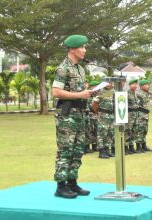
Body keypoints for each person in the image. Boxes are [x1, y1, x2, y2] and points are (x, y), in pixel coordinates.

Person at [52, 35, 93, 199]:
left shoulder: (79, 69)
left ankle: (72, 182)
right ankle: (60, 186)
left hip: (80, 114)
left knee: (78, 150)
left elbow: (79, 92)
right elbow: (55, 92)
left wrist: (87, 91)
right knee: (66, 150)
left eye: (85, 47)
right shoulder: (63, 68)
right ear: (72, 49)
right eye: (82, 47)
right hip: (67, 116)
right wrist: (79, 94)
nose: (84, 50)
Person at [93, 82, 115, 159]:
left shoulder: (112, 92)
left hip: (111, 115)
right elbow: (95, 103)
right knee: (102, 134)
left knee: (109, 133)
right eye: (107, 83)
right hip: (103, 115)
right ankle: (101, 152)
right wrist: (96, 113)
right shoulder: (101, 92)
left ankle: (107, 150)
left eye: (110, 83)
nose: (109, 85)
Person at [136, 79, 152, 152]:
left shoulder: (145, 93)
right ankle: (138, 147)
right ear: (141, 86)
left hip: (145, 114)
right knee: (139, 130)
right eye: (146, 85)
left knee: (144, 130)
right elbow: (136, 105)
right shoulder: (138, 94)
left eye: (147, 85)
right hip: (140, 115)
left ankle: (144, 145)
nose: (147, 86)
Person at [125, 79, 142, 154]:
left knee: (134, 131)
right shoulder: (126, 94)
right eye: (133, 84)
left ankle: (131, 147)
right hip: (129, 115)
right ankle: (125, 147)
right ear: (130, 85)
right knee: (127, 131)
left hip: (135, 115)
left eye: (136, 84)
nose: (135, 86)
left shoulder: (135, 94)